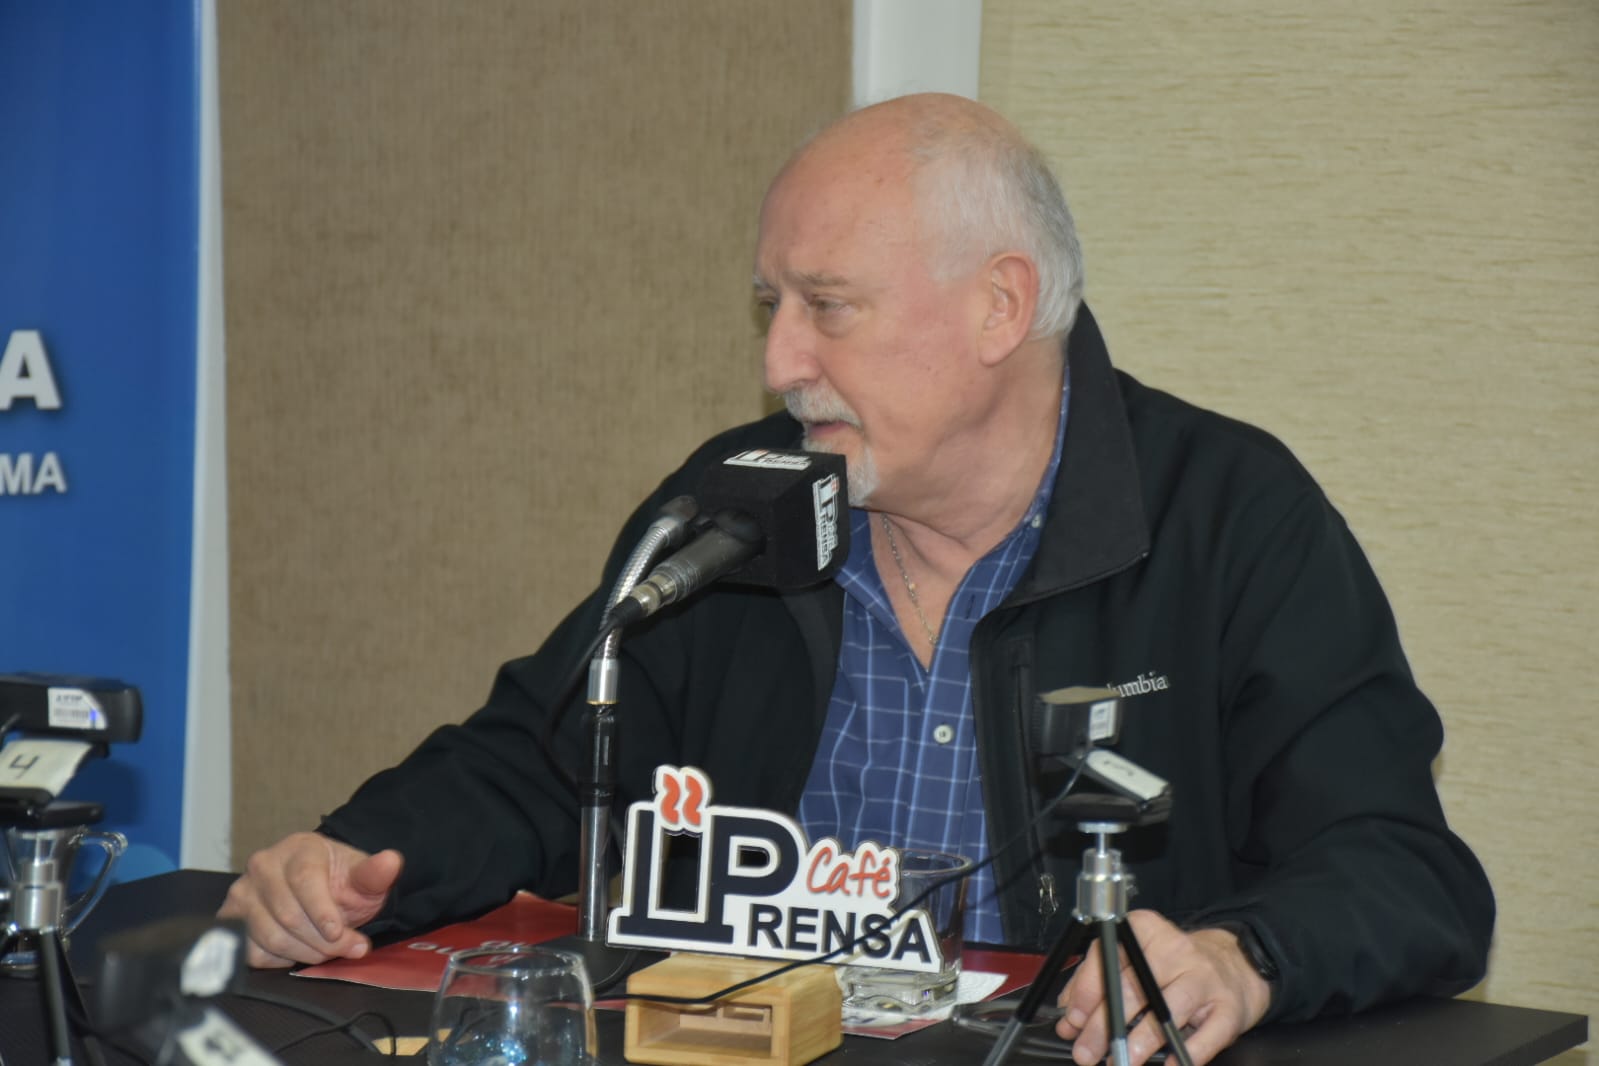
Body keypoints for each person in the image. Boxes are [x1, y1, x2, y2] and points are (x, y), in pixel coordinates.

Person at [221, 94, 1494, 1065]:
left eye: (828, 307)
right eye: (771, 304)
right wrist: (351, 858)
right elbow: (542, 760)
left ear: (1000, 308)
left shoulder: (1228, 515)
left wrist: (1239, 956)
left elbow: (1403, 867)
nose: (780, 359)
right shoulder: (739, 500)